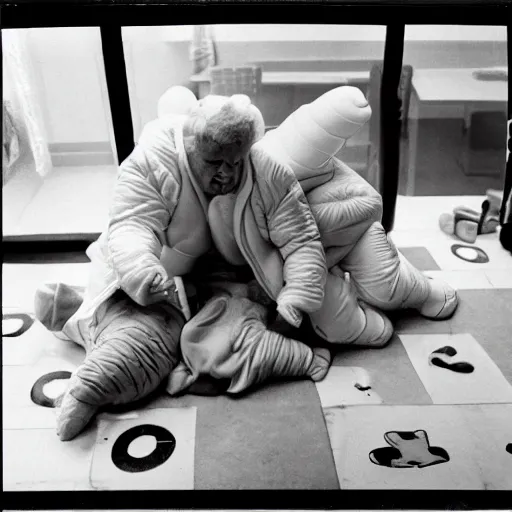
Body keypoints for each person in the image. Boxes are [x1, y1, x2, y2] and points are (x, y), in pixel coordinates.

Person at [36, 93, 333, 440]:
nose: (227, 172)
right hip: (163, 285)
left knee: (234, 344)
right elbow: (131, 225)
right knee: (144, 344)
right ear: (191, 144)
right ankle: (88, 377)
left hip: (229, 287)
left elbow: (301, 239)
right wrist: (144, 271)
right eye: (214, 162)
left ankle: (78, 319)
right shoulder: (155, 160)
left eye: (236, 162)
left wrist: (296, 298)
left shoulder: (266, 171)